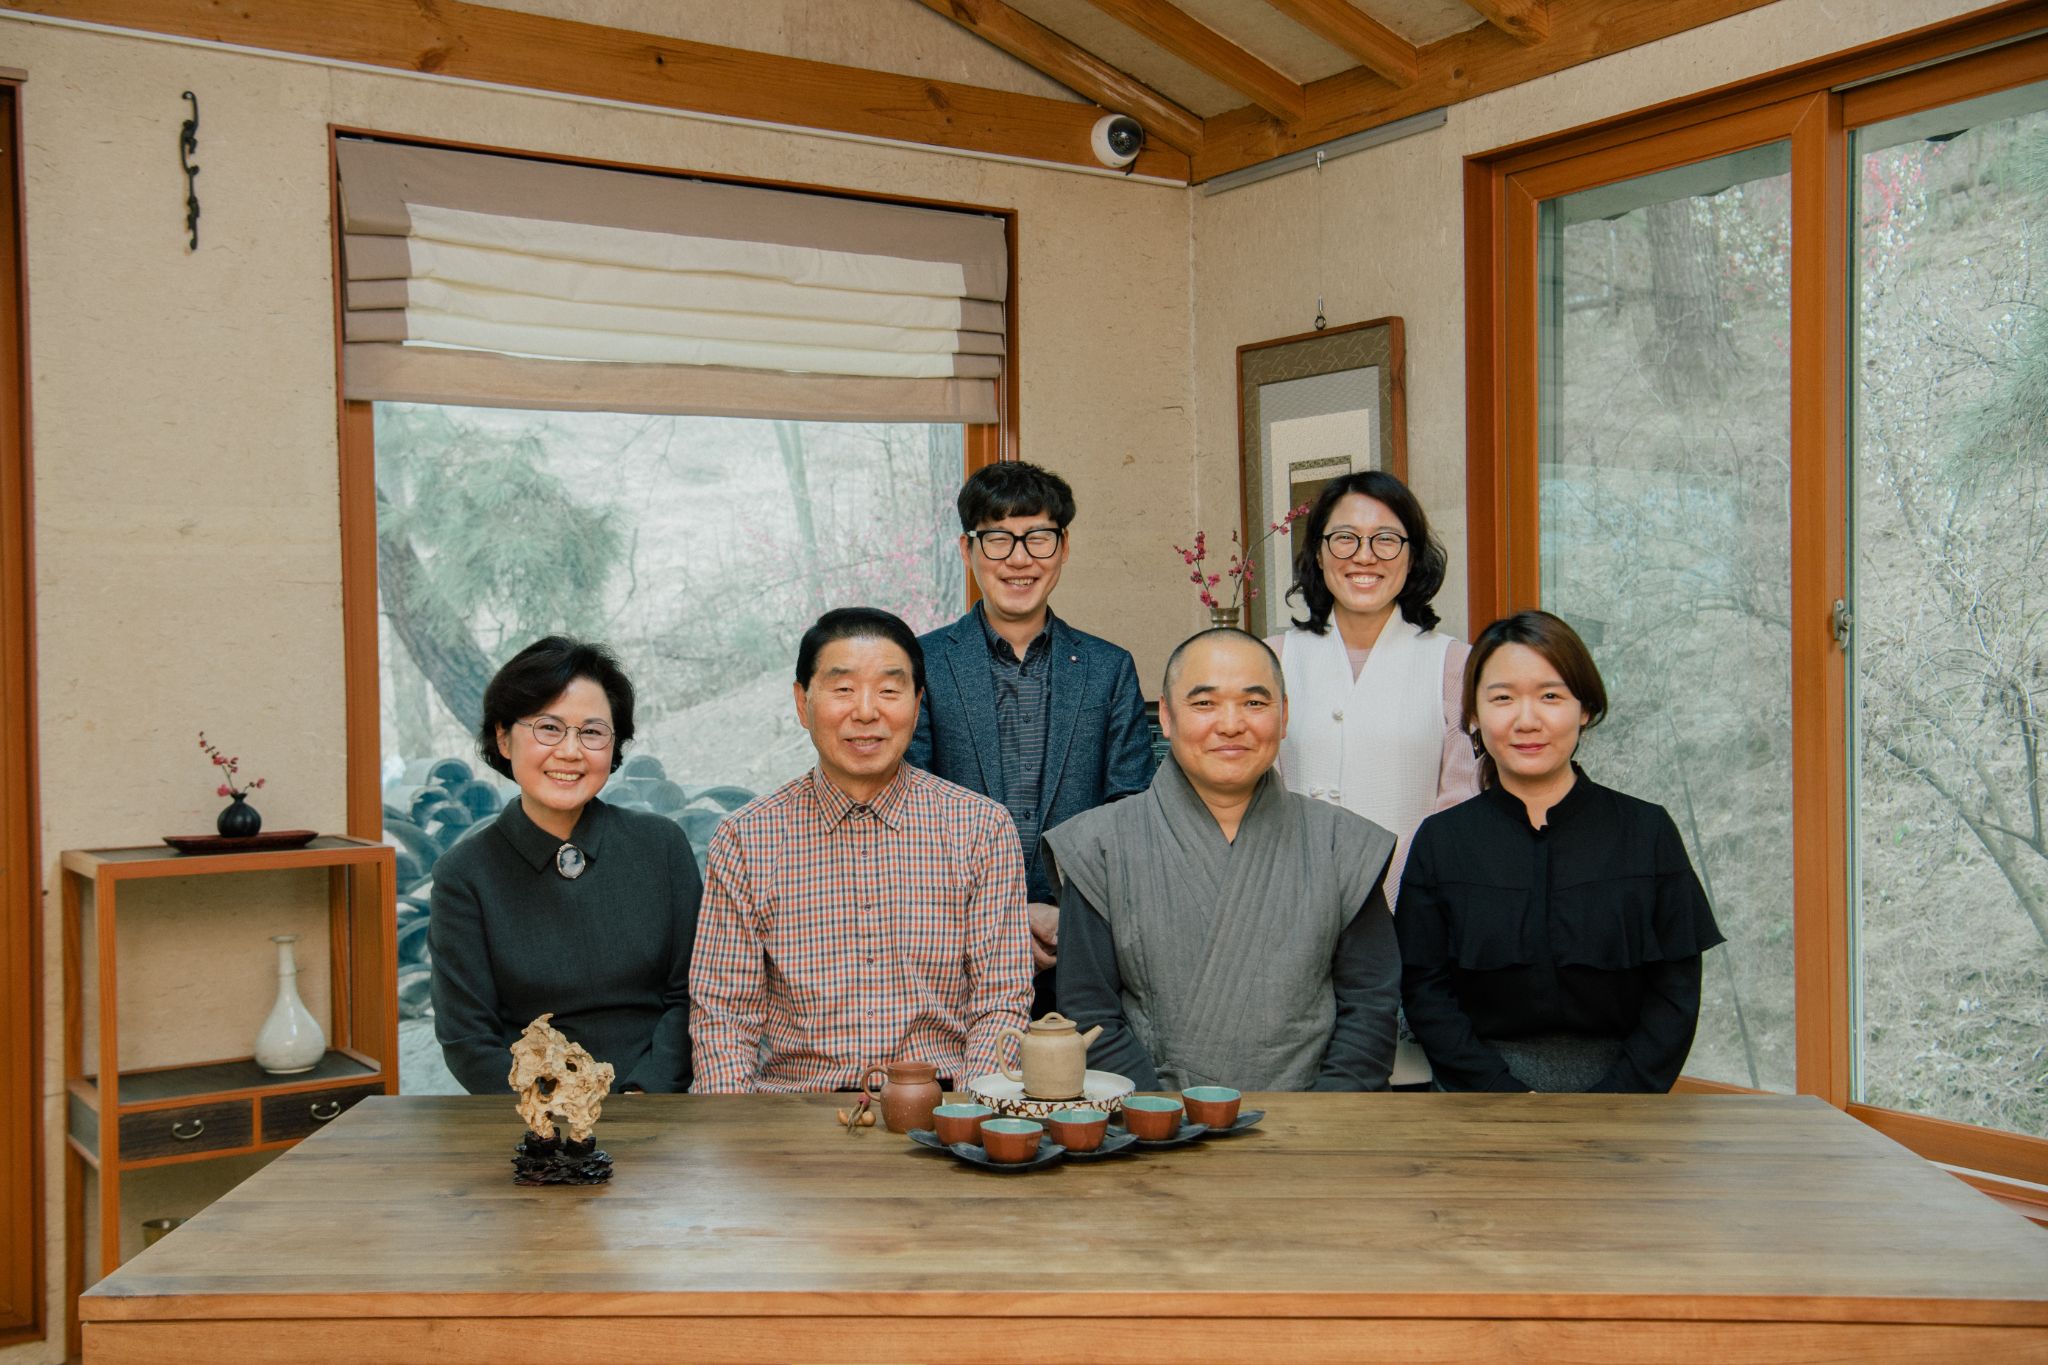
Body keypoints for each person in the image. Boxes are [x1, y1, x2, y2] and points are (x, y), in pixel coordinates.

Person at [690, 607, 1034, 1092]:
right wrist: (739, 1129)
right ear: (802, 702)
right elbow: (723, 1017)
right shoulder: (746, 838)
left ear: (917, 703)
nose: (867, 711)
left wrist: (969, 1116)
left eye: (889, 691)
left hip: (943, 1107)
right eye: (844, 689)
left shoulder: (980, 829)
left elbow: (1001, 1002)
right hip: (792, 1113)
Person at [1046, 628, 1402, 1093]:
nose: (1231, 724)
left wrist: (1318, 1119)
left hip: (1316, 1124)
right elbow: (1090, 1015)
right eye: (1204, 703)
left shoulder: (1343, 844)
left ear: (1284, 714)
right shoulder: (1098, 845)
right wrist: (1159, 1118)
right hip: (1149, 1123)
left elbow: (1370, 1008)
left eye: (1254, 702)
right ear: (1166, 716)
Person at [1396, 611, 1726, 1093]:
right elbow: (1424, 989)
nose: (1527, 720)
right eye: (1503, 698)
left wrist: (1613, 1103)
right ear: (1473, 715)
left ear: (1585, 709)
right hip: (1476, 1094)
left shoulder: (1647, 831)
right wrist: (1504, 1098)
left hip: (1625, 1094)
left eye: (1550, 696)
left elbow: (1675, 992)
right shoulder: (1441, 840)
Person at [909, 461, 1153, 1017]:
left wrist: (1070, 915)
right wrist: (1001, 916)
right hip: (952, 952)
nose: (1019, 559)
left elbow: (1130, 814)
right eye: (998, 539)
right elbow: (911, 808)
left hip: (1082, 948)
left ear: (1063, 547)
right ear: (967, 549)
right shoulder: (923, 663)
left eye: (1038, 537)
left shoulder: (1108, 668)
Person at [1268, 470, 1479, 1088]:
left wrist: (1393, 907)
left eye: (1386, 539)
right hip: (1286, 922)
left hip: (1410, 925)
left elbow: (1459, 805)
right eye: (1345, 538)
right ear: (1318, 553)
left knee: (1399, 1096)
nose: (1364, 556)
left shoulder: (1453, 662)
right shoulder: (1272, 657)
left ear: (1413, 556)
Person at [430, 636, 701, 1095]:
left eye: (591, 732)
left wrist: (643, 1096)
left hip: (656, 1104)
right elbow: (468, 1041)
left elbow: (691, 997)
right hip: (532, 1114)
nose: (571, 751)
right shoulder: (464, 874)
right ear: (503, 737)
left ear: (614, 746)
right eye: (549, 728)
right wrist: (559, 1110)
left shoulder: (662, 846)